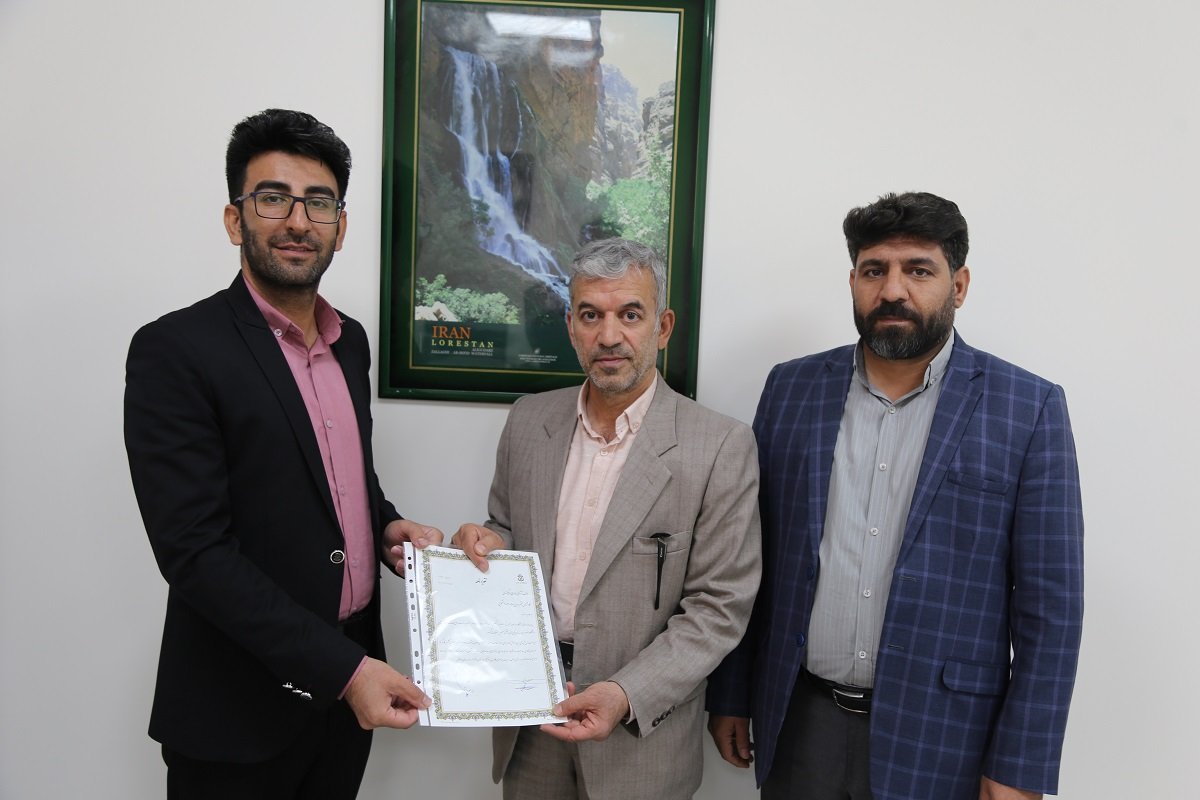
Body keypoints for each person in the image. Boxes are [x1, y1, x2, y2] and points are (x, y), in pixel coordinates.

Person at [706, 192, 1084, 800]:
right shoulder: (792, 388)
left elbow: (1051, 608)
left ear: (959, 286)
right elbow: (751, 555)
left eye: (919, 270)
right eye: (874, 270)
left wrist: (1020, 762)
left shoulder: (1027, 408)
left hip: (945, 735)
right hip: (799, 720)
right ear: (853, 281)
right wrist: (731, 691)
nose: (892, 290)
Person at [124, 108, 441, 799]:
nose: (298, 220)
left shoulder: (350, 342)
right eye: (273, 198)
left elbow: (338, 477)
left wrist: (385, 523)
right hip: (236, 713)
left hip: (345, 704)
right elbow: (195, 553)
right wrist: (345, 672)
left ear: (340, 227)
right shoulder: (175, 350)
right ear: (235, 219)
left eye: (318, 202)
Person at [452, 238, 762, 800]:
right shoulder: (528, 421)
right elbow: (508, 529)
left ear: (663, 327)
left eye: (630, 315)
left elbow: (719, 608)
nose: (609, 336)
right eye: (591, 315)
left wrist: (624, 694)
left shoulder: (721, 446)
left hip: (641, 738)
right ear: (571, 327)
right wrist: (487, 540)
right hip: (531, 720)